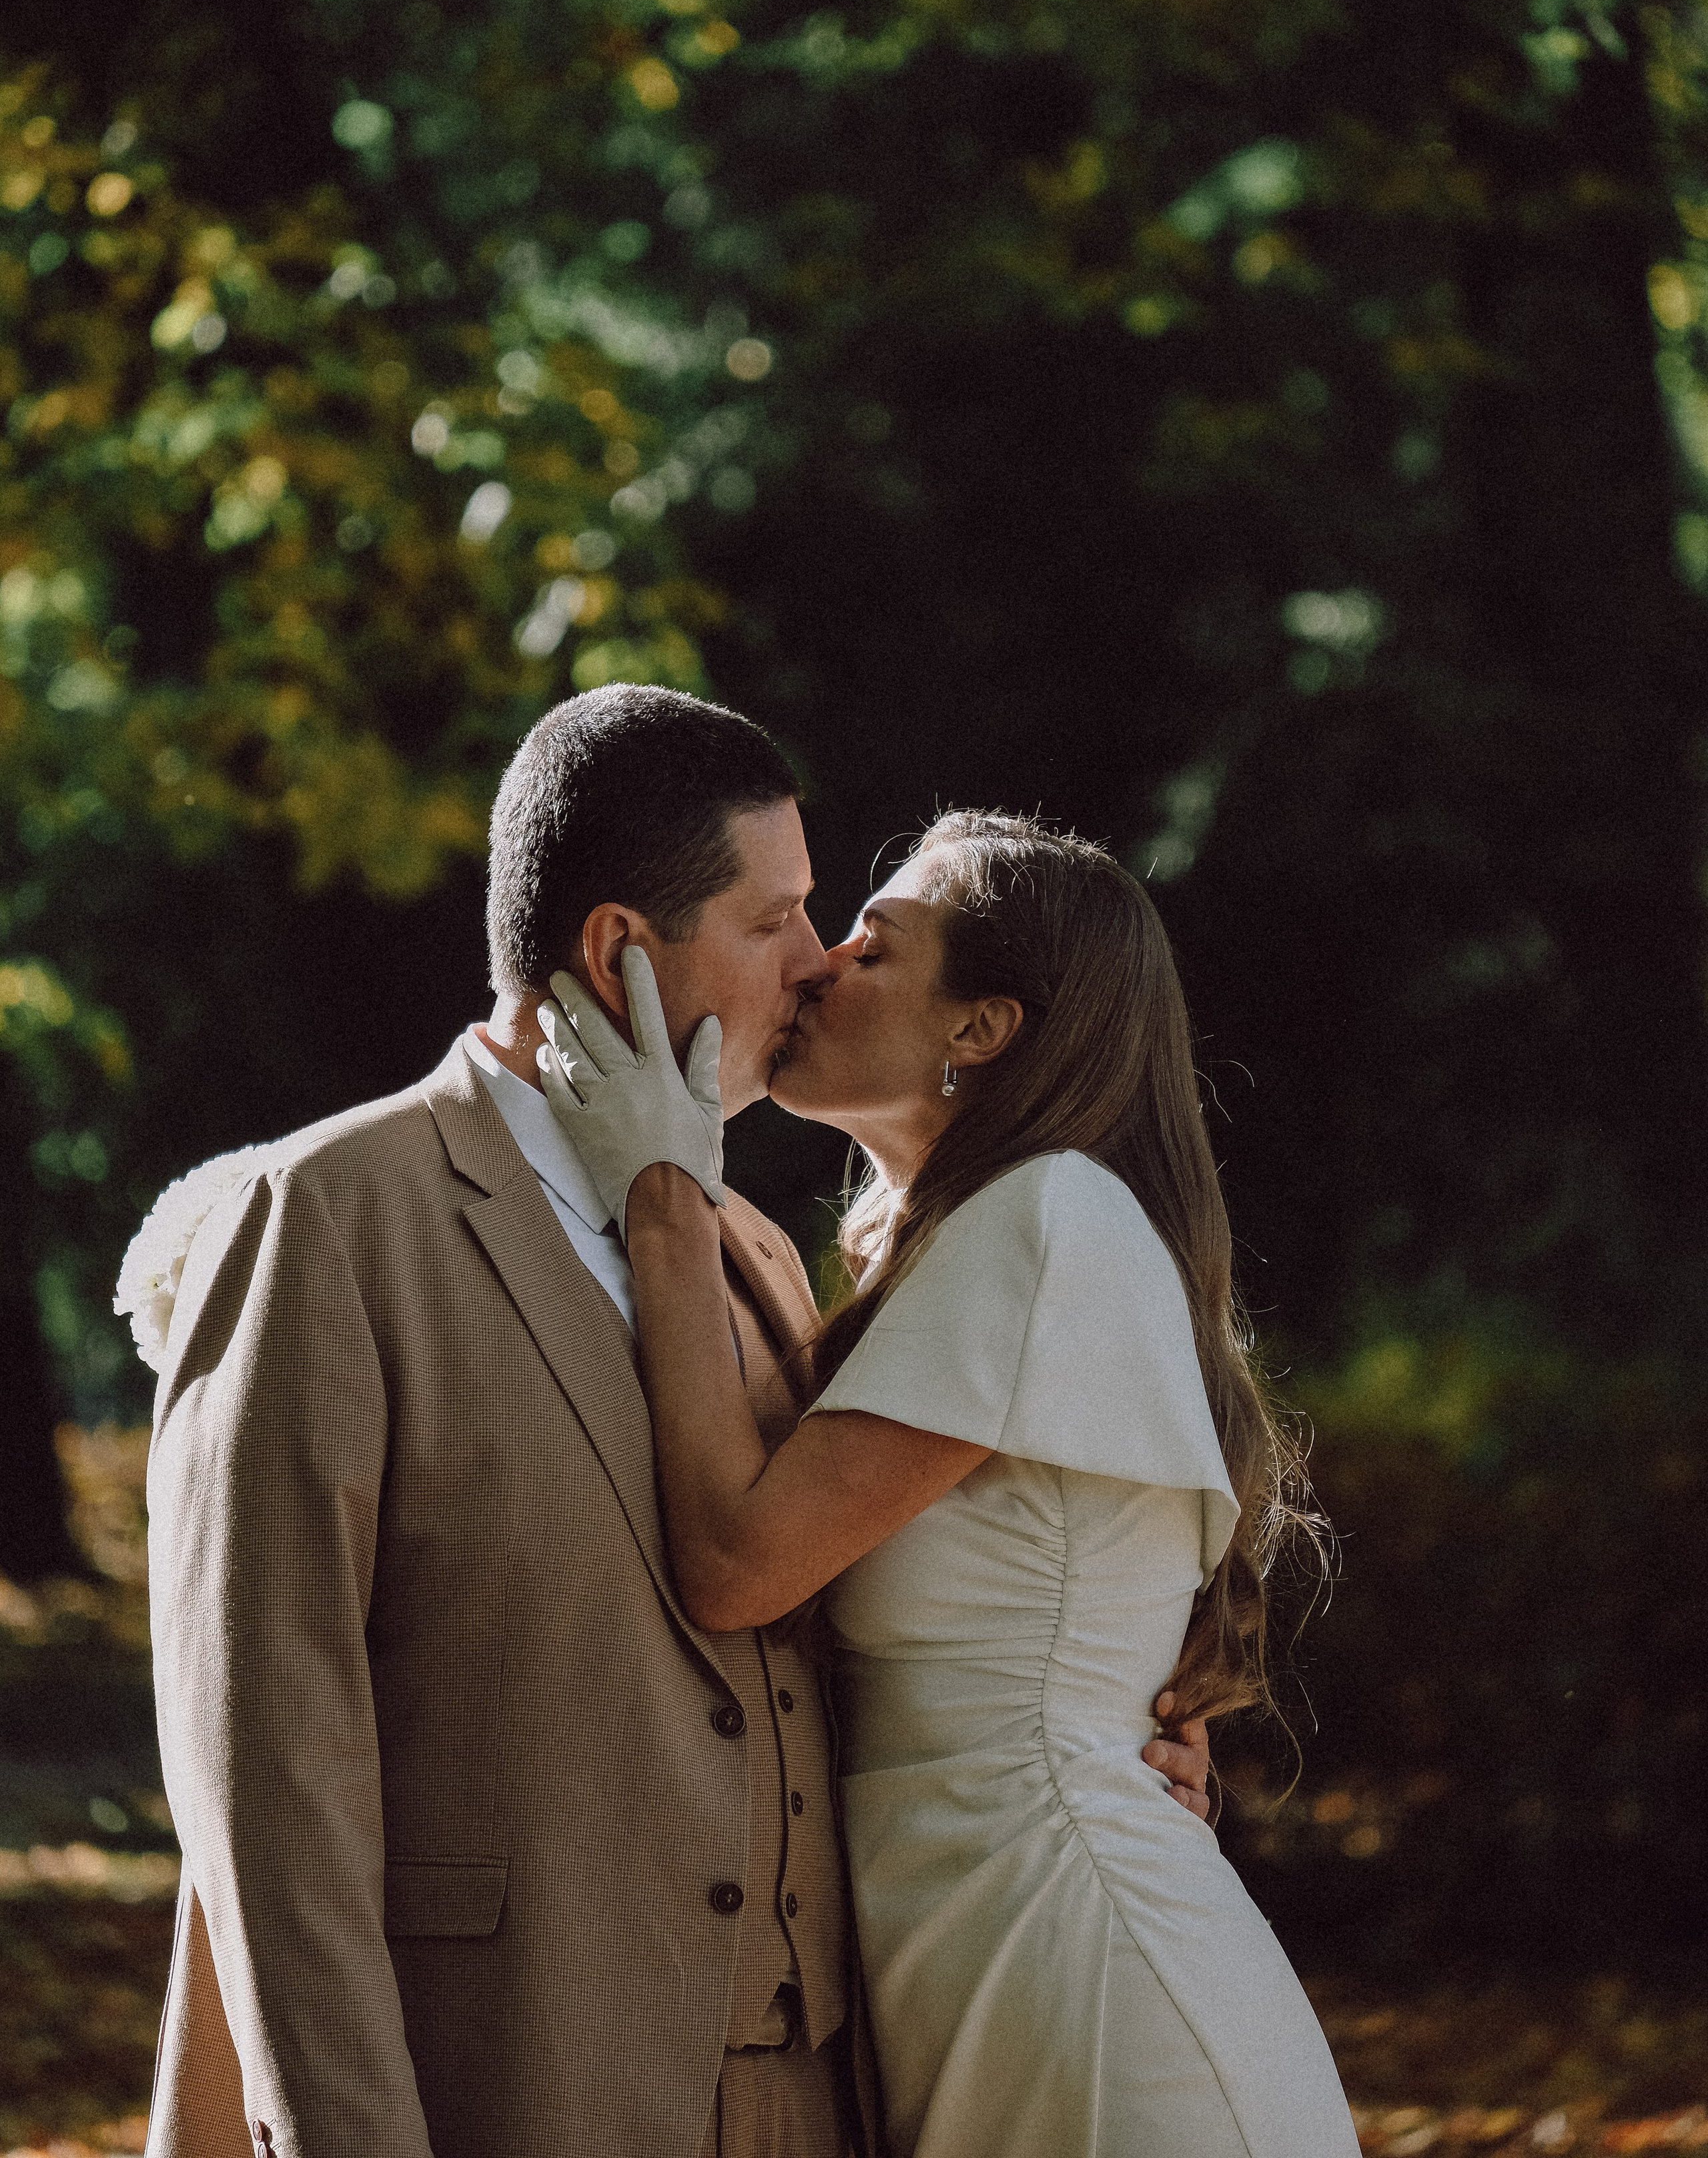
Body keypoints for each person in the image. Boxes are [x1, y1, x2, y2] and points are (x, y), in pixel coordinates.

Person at [137, 691, 1211, 2158]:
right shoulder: (331, 1221)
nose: (817, 960)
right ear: (615, 952)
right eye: (773, 921)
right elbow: (265, 1777)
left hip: (819, 2101)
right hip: (509, 2088)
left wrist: (1120, 1737)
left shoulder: (754, 1249)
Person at [536, 807, 1360, 2158]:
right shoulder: (988, 1237)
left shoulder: (1045, 1218)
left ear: (979, 1028)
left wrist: (664, 1195)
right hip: (1004, 1986)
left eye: (874, 947)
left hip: (1092, 2005)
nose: (816, 965)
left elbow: (738, 1566)